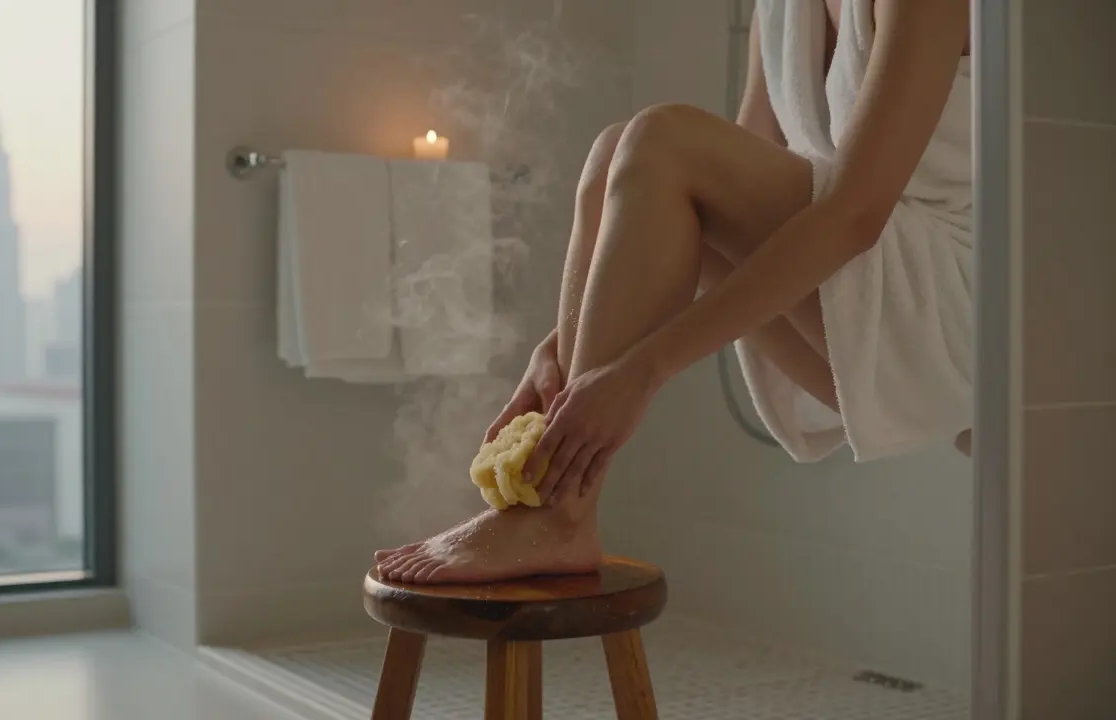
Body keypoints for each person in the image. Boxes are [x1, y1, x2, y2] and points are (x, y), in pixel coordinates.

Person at [375, 0, 973, 585]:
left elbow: (855, 214)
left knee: (661, 140)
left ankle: (556, 514)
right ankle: (553, 494)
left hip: (954, 310)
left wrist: (644, 371)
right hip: (856, 306)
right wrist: (563, 346)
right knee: (618, 150)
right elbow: (728, 186)